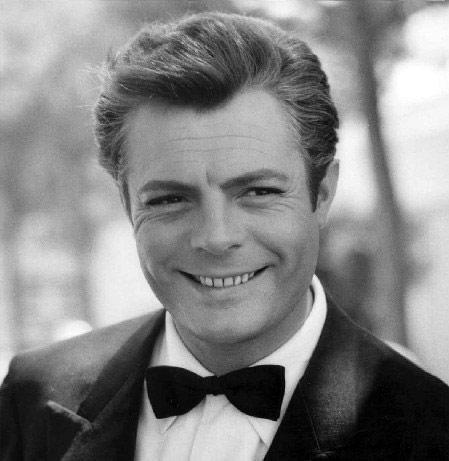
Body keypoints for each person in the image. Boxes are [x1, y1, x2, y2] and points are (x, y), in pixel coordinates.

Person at [1, 12, 448, 461]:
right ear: (128, 205)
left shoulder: (431, 432)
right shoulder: (32, 398)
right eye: (170, 199)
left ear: (323, 194)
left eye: (258, 192)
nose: (216, 238)